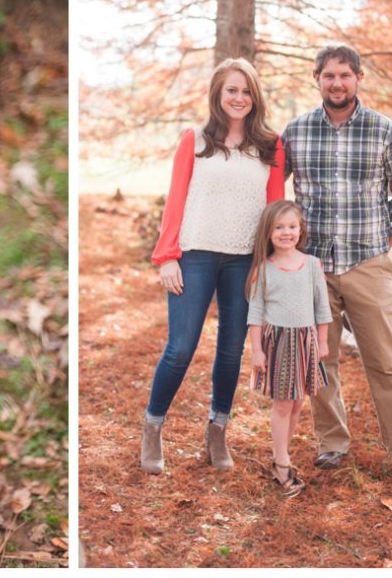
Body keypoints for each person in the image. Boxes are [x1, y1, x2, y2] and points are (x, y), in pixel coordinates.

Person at [281, 43, 392, 492]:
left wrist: (384, 242)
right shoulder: (297, 132)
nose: (337, 83)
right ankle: (332, 442)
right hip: (315, 268)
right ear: (317, 80)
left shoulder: (384, 130)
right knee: (321, 359)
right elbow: (273, 188)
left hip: (367, 264)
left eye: (345, 75)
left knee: (386, 364)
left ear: (358, 78)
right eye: (329, 76)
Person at [142, 58, 284, 474]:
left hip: (245, 260)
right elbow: (175, 200)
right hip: (196, 253)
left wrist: (268, 263)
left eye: (246, 91)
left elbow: (274, 207)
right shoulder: (195, 140)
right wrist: (167, 256)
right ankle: (152, 427)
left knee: (229, 351)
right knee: (181, 347)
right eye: (231, 91)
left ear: (255, 97)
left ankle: (217, 430)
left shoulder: (270, 146)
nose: (239, 98)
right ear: (217, 95)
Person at [246, 200, 330, 497]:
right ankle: (281, 463)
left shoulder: (311, 265)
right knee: (283, 403)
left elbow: (323, 308)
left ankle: (282, 454)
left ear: (300, 229)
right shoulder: (264, 269)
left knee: (296, 403)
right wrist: (257, 350)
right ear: (268, 233)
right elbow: (255, 313)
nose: (286, 232)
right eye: (279, 227)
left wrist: (322, 342)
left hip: (306, 341)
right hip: (279, 343)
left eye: (292, 227)